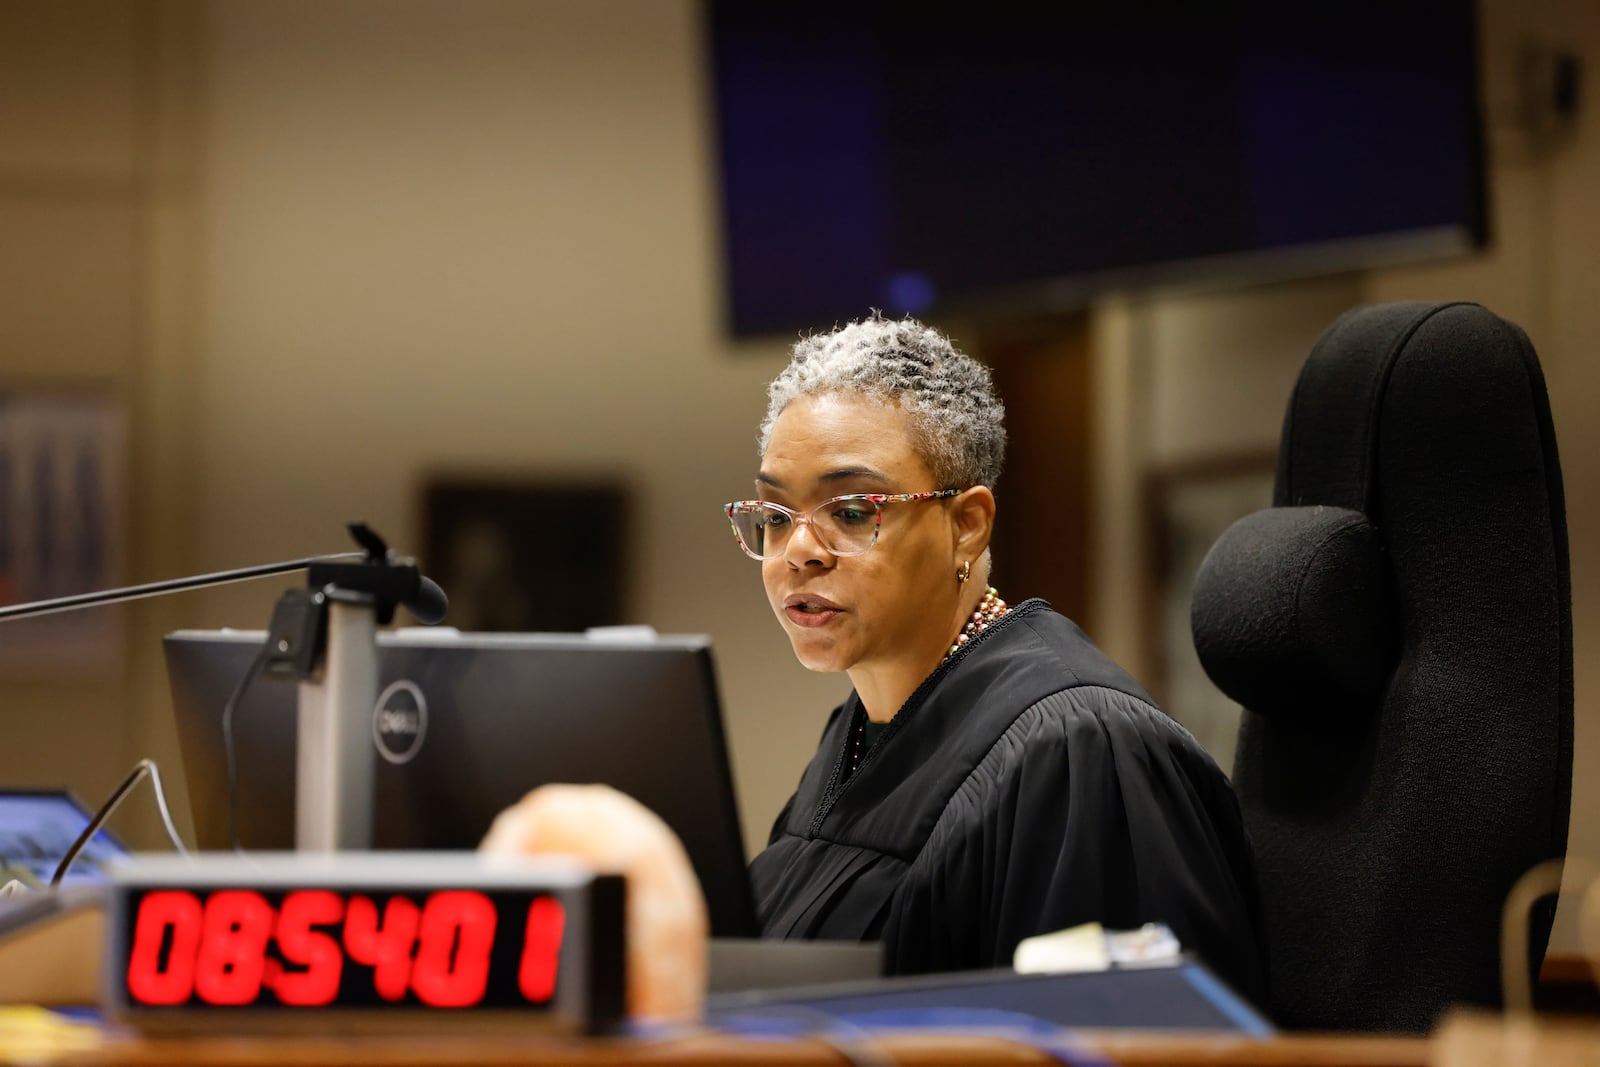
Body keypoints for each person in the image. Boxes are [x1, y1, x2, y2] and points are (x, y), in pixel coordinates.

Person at [726, 313, 1266, 1001]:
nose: (798, 550)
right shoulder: (857, 730)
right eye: (774, 516)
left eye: (853, 511)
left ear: (967, 524)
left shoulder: (1082, 749)